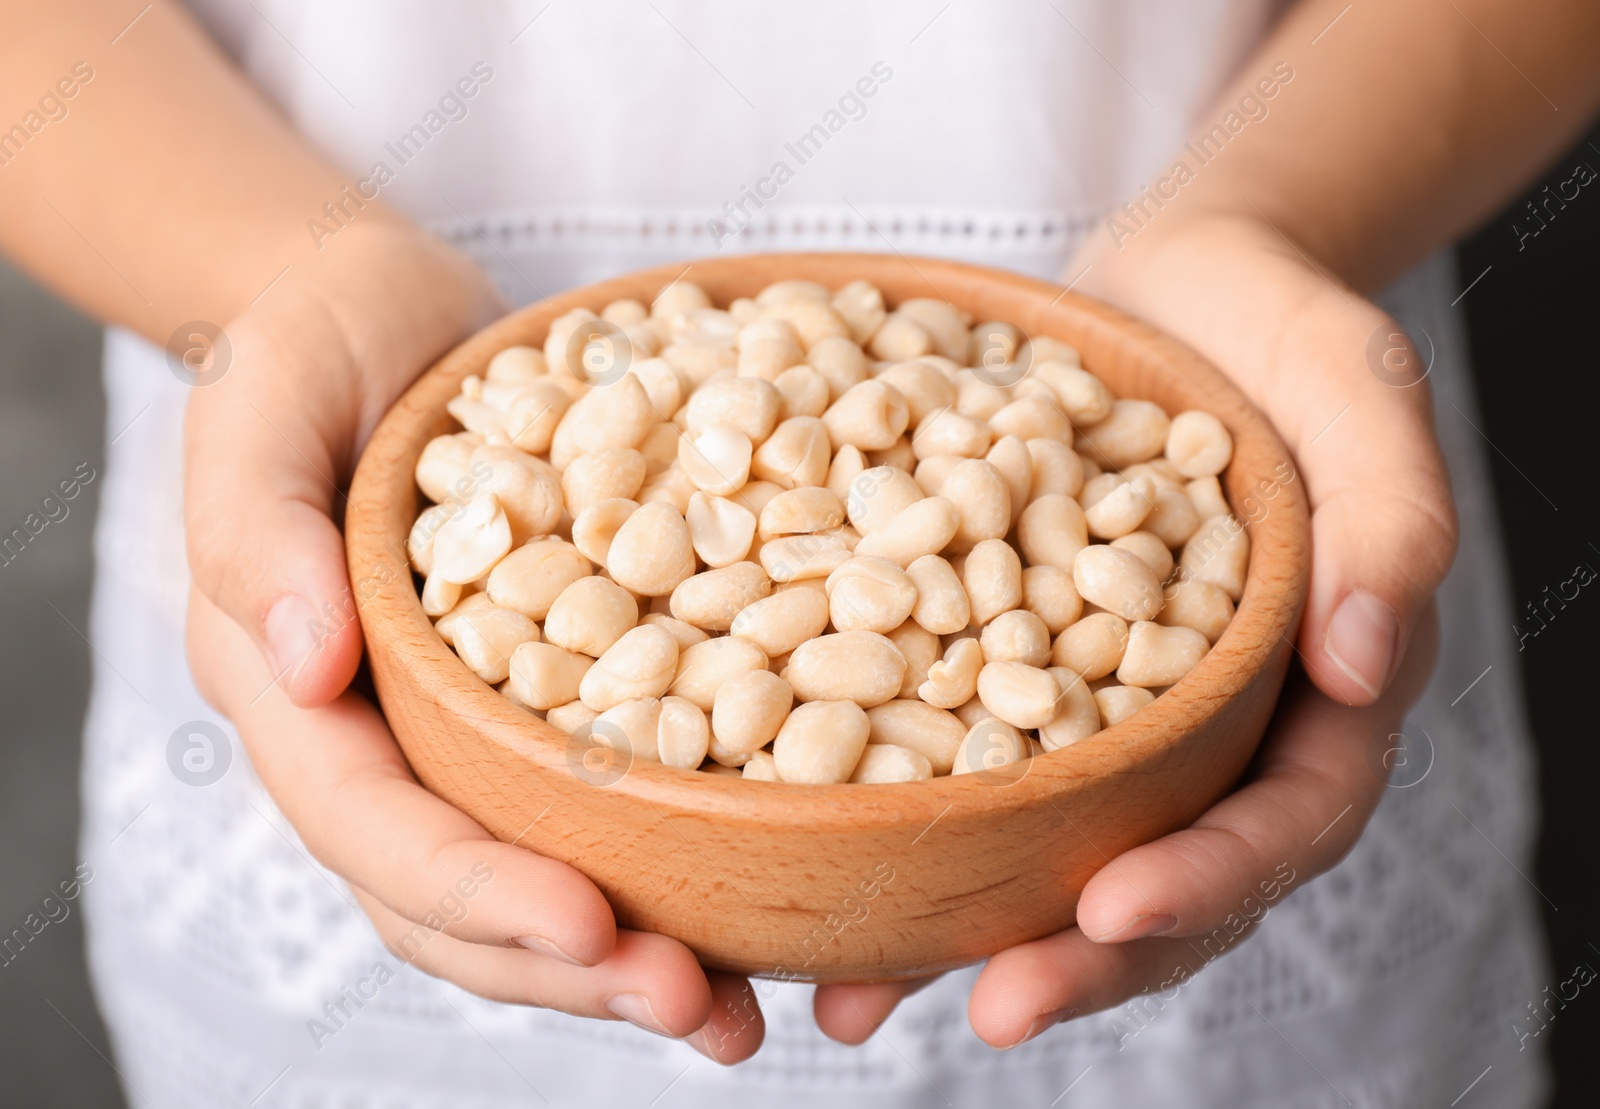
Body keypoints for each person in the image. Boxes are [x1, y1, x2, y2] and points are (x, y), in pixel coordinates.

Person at [1, 0, 1593, 1105]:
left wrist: (1264, 215)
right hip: (338, 496)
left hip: (1250, 463)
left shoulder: (1040, 529)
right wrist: (276, 274)